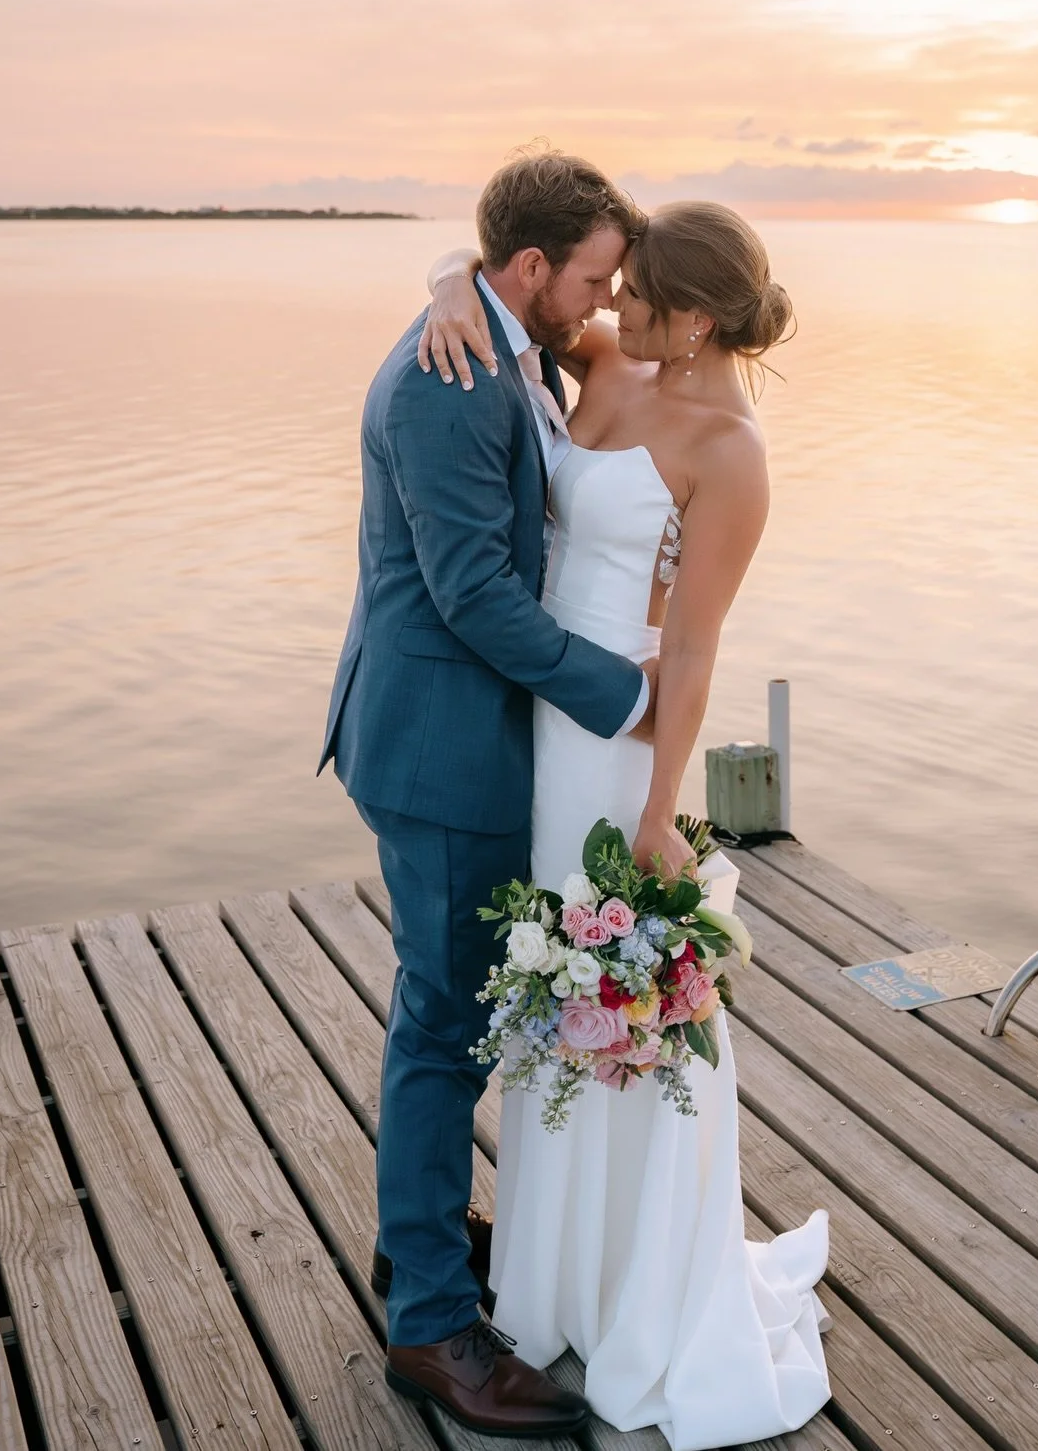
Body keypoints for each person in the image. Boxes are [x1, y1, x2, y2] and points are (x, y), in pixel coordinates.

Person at [418, 193, 830, 1450]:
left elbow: (696, 650)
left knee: (609, 1008)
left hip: (614, 747)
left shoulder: (732, 453)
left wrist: (661, 815)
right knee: (544, 1014)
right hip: (536, 716)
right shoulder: (604, 357)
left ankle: (637, 1284)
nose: (611, 308)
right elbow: (502, 290)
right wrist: (446, 282)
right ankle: (549, 1273)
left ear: (695, 321)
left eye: (637, 294)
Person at [319, 151, 662, 1437]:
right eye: (591, 276)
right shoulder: (446, 380)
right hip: (437, 743)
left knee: (451, 1001)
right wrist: (628, 697)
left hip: (461, 733)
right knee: (445, 1019)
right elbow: (472, 596)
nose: (606, 298)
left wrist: (448, 272)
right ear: (533, 270)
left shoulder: (503, 332)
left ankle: (419, 1237)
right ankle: (427, 1323)